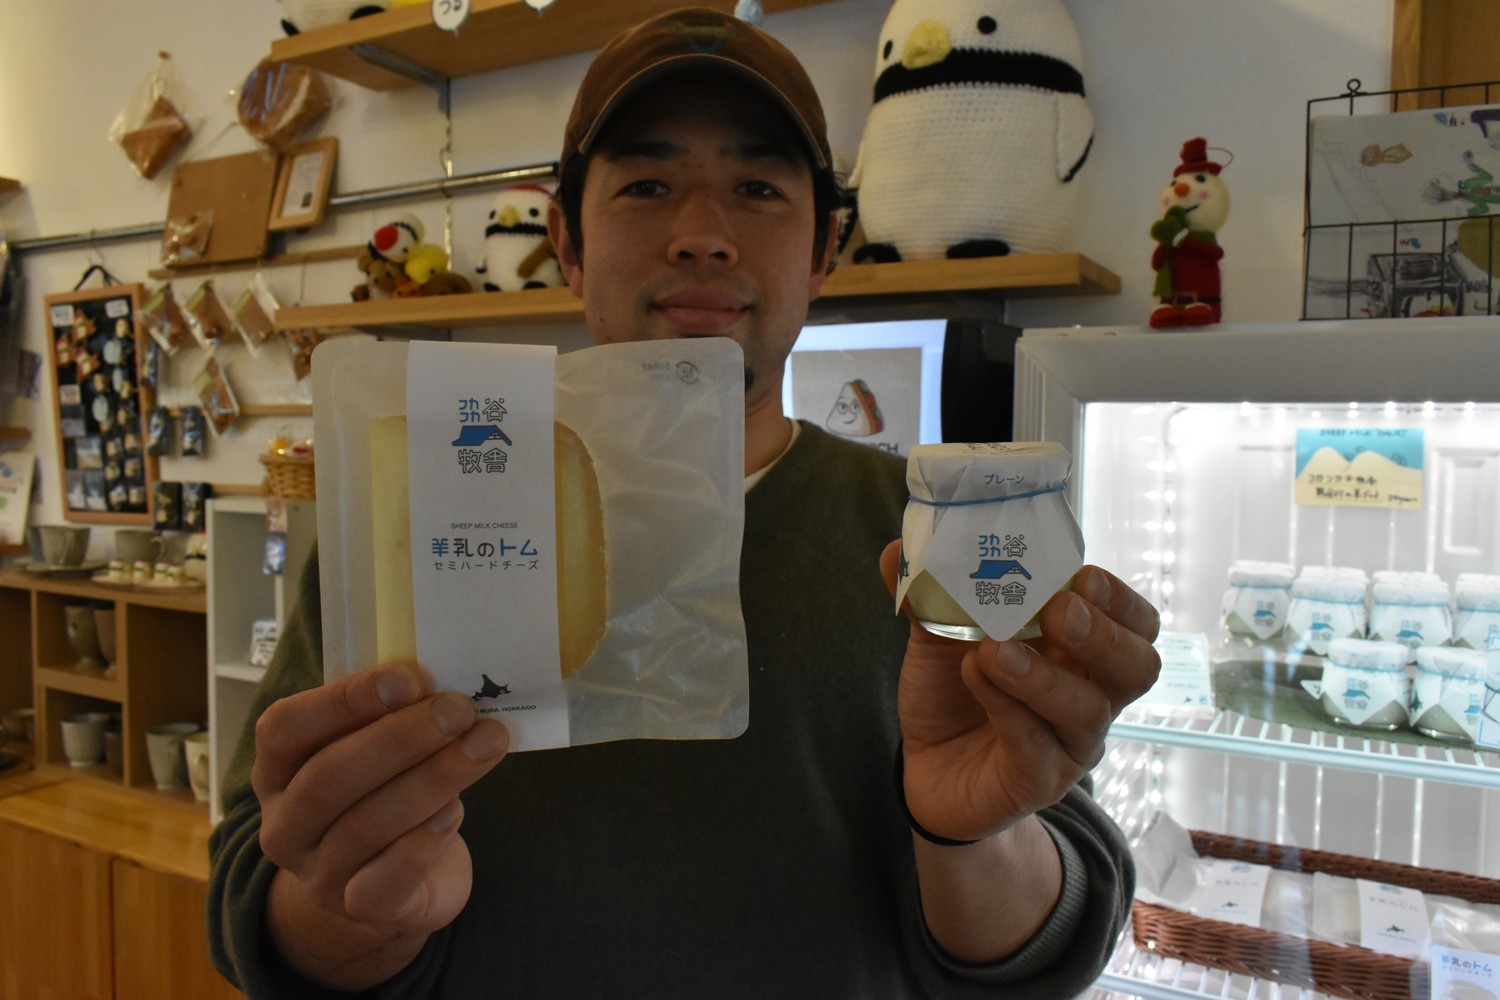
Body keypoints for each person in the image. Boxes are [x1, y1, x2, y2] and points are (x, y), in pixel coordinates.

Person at [207, 8, 1162, 998]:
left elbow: (1054, 933)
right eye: (648, 185)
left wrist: (972, 834)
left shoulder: (929, 531)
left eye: (758, 188)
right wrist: (354, 905)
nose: (703, 235)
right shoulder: (414, 518)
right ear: (567, 242)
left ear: (824, 249)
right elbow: (254, 894)